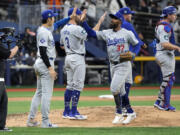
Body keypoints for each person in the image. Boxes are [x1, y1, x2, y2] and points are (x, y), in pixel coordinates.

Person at [81, 10, 139, 124]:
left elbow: (137, 45)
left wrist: (134, 54)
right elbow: (92, 33)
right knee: (121, 92)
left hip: (123, 62)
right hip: (112, 63)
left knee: (114, 88)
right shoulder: (107, 32)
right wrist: (83, 22)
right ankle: (131, 113)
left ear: (120, 21)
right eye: (111, 18)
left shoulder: (127, 33)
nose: (112, 20)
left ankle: (118, 113)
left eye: (114, 18)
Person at [27, 8, 76, 128]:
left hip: (41, 63)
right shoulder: (44, 32)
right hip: (45, 63)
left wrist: (69, 18)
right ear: (48, 19)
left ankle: (31, 120)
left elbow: (58, 24)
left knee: (38, 93)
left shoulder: (45, 29)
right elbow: (43, 52)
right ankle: (45, 122)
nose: (54, 19)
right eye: (53, 17)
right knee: (46, 94)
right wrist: (50, 68)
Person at [119, 7, 145, 124]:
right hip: (125, 55)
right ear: (125, 15)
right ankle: (123, 106)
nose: (131, 16)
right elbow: (136, 40)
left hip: (117, 55)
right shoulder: (127, 25)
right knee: (127, 81)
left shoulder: (117, 24)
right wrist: (141, 45)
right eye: (130, 14)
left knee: (124, 81)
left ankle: (122, 105)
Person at [60, 8, 88, 120]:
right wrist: (82, 21)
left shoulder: (63, 29)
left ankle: (66, 111)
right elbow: (88, 35)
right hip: (77, 57)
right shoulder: (77, 28)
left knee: (70, 85)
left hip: (68, 57)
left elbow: (62, 45)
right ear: (74, 15)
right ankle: (74, 112)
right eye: (79, 15)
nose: (81, 16)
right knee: (78, 85)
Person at [154, 6, 180, 111]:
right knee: (169, 79)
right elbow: (165, 44)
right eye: (173, 14)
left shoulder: (161, 24)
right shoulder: (164, 27)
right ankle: (164, 104)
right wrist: (177, 47)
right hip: (165, 54)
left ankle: (159, 101)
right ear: (168, 15)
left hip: (163, 53)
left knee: (168, 79)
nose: (175, 16)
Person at [0, 44, 20, 132]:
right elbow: (10, 54)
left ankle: (1, 126)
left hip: (1, 79)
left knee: (4, 102)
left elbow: (7, 53)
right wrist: (18, 46)